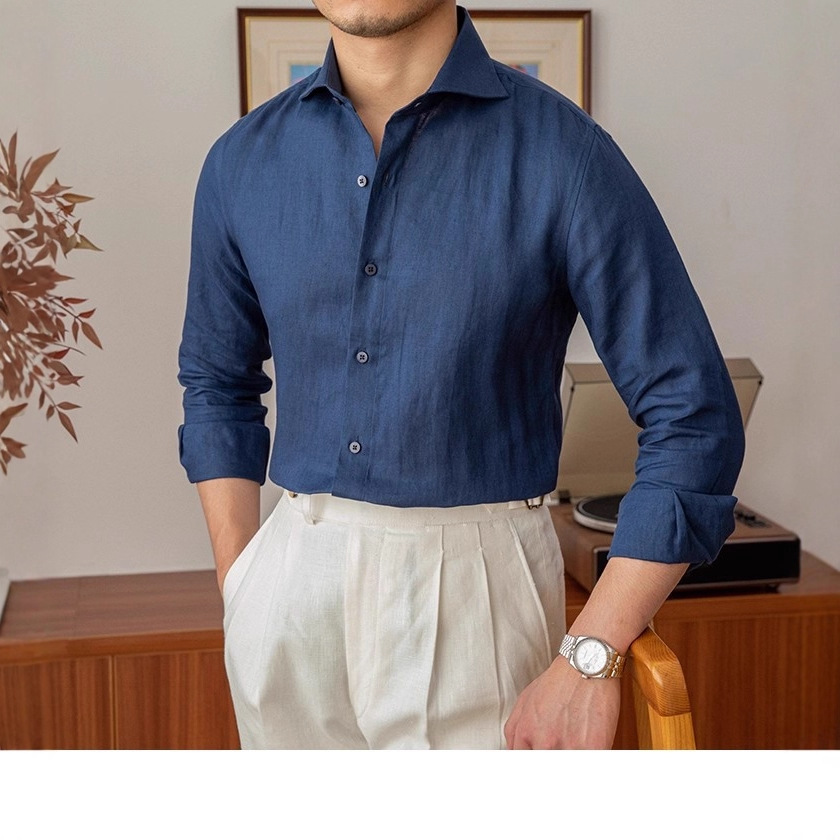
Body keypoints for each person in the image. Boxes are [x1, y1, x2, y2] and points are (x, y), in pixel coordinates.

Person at [177, 0, 744, 749]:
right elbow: (217, 383)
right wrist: (243, 586)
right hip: (288, 581)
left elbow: (695, 415)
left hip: (478, 587)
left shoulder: (563, 153)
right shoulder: (240, 162)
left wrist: (594, 651)